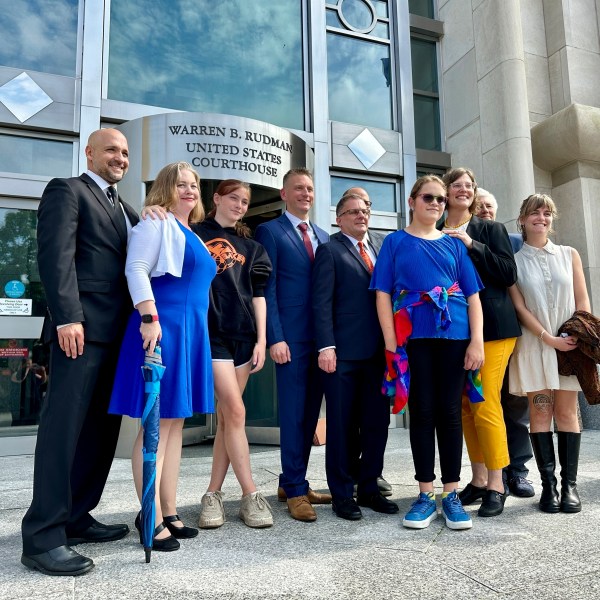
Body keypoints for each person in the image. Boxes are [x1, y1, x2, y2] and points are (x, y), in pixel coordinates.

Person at [21, 128, 137, 576]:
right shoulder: (67, 191)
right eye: (111, 149)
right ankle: (42, 538)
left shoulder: (125, 209)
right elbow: (56, 256)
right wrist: (68, 316)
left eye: (125, 152)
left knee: (99, 433)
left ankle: (75, 515)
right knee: (63, 431)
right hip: (81, 331)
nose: (120, 158)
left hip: (118, 336)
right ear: (89, 152)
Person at [109, 161, 216, 550]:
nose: (189, 191)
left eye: (194, 185)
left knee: (173, 426)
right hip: (162, 328)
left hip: (191, 333)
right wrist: (149, 316)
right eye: (180, 184)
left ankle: (168, 510)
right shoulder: (154, 222)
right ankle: (149, 516)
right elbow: (135, 268)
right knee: (153, 426)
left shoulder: (192, 232)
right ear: (165, 190)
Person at [371, 175, 484, 530]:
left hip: (455, 336)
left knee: (450, 412)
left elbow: (474, 296)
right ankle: (424, 494)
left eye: (440, 199)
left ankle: (450, 494)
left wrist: (477, 342)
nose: (435, 203)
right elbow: (383, 293)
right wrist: (391, 341)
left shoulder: (455, 245)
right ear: (412, 201)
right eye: (428, 197)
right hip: (412, 337)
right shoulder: (394, 242)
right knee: (421, 412)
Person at [193, 180, 273, 529]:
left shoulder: (252, 246)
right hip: (211, 334)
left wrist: (262, 340)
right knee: (236, 411)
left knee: (229, 419)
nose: (240, 205)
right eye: (234, 198)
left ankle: (212, 494)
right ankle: (250, 493)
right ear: (217, 198)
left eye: (245, 201)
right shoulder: (193, 232)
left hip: (244, 337)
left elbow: (259, 295)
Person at [312, 193, 397, 521]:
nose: (361, 216)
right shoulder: (330, 251)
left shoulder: (381, 248)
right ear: (339, 219)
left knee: (378, 423)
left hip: (379, 354)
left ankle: (370, 488)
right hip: (343, 355)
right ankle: (342, 494)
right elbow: (321, 302)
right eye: (352, 212)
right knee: (343, 426)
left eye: (364, 211)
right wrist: (326, 346)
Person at [442, 168, 521, 518]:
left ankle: (497, 484)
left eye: (468, 186)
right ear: (444, 192)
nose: (463, 190)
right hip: (454, 334)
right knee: (465, 407)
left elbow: (507, 274)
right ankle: (478, 478)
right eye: (456, 185)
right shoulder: (434, 232)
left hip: (494, 330)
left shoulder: (490, 229)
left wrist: (472, 245)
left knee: (485, 402)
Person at [254, 168, 331, 522]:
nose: (306, 194)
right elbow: (267, 289)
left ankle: (291, 481)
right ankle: (296, 493)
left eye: (310, 188)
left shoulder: (323, 235)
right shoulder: (269, 231)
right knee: (293, 415)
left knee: (309, 414)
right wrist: (275, 337)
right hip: (290, 339)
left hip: (321, 341)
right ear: (284, 194)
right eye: (298, 188)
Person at [509, 194, 591, 513]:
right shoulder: (514, 261)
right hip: (534, 347)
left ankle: (569, 486)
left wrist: (574, 333)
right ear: (523, 219)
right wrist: (547, 338)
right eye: (535, 213)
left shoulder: (569, 254)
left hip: (569, 348)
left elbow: (582, 299)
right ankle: (549, 488)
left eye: (547, 213)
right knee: (541, 411)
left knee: (567, 413)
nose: (541, 218)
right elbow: (519, 307)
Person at [476, 189, 534, 498]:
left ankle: (519, 471)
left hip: (509, 332)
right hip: (477, 334)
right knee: (485, 403)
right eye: (480, 205)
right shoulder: (466, 237)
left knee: (514, 403)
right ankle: (487, 472)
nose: (484, 210)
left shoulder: (513, 242)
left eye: (489, 205)